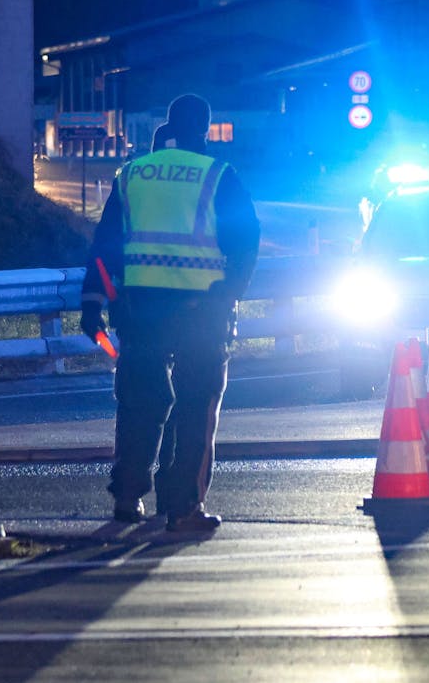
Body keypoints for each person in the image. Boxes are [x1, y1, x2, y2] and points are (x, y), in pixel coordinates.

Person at [81, 94, 260, 533]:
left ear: (169, 126)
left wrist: (92, 302)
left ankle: (126, 498)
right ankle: (182, 509)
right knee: (195, 408)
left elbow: (106, 246)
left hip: (139, 311)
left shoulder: (134, 174)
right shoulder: (219, 175)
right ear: (205, 128)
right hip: (200, 314)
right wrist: (228, 293)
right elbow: (246, 241)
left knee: (140, 404)